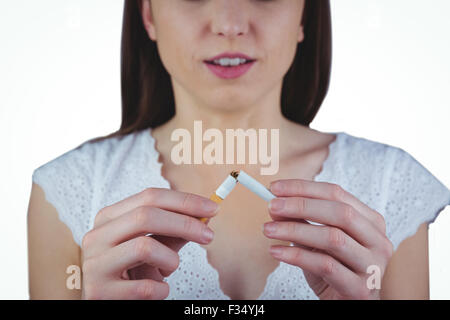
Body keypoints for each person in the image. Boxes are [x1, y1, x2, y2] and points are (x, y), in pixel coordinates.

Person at [27, 0, 450, 300]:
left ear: (305, 14)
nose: (230, 24)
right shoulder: (68, 188)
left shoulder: (392, 183)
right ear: (147, 14)